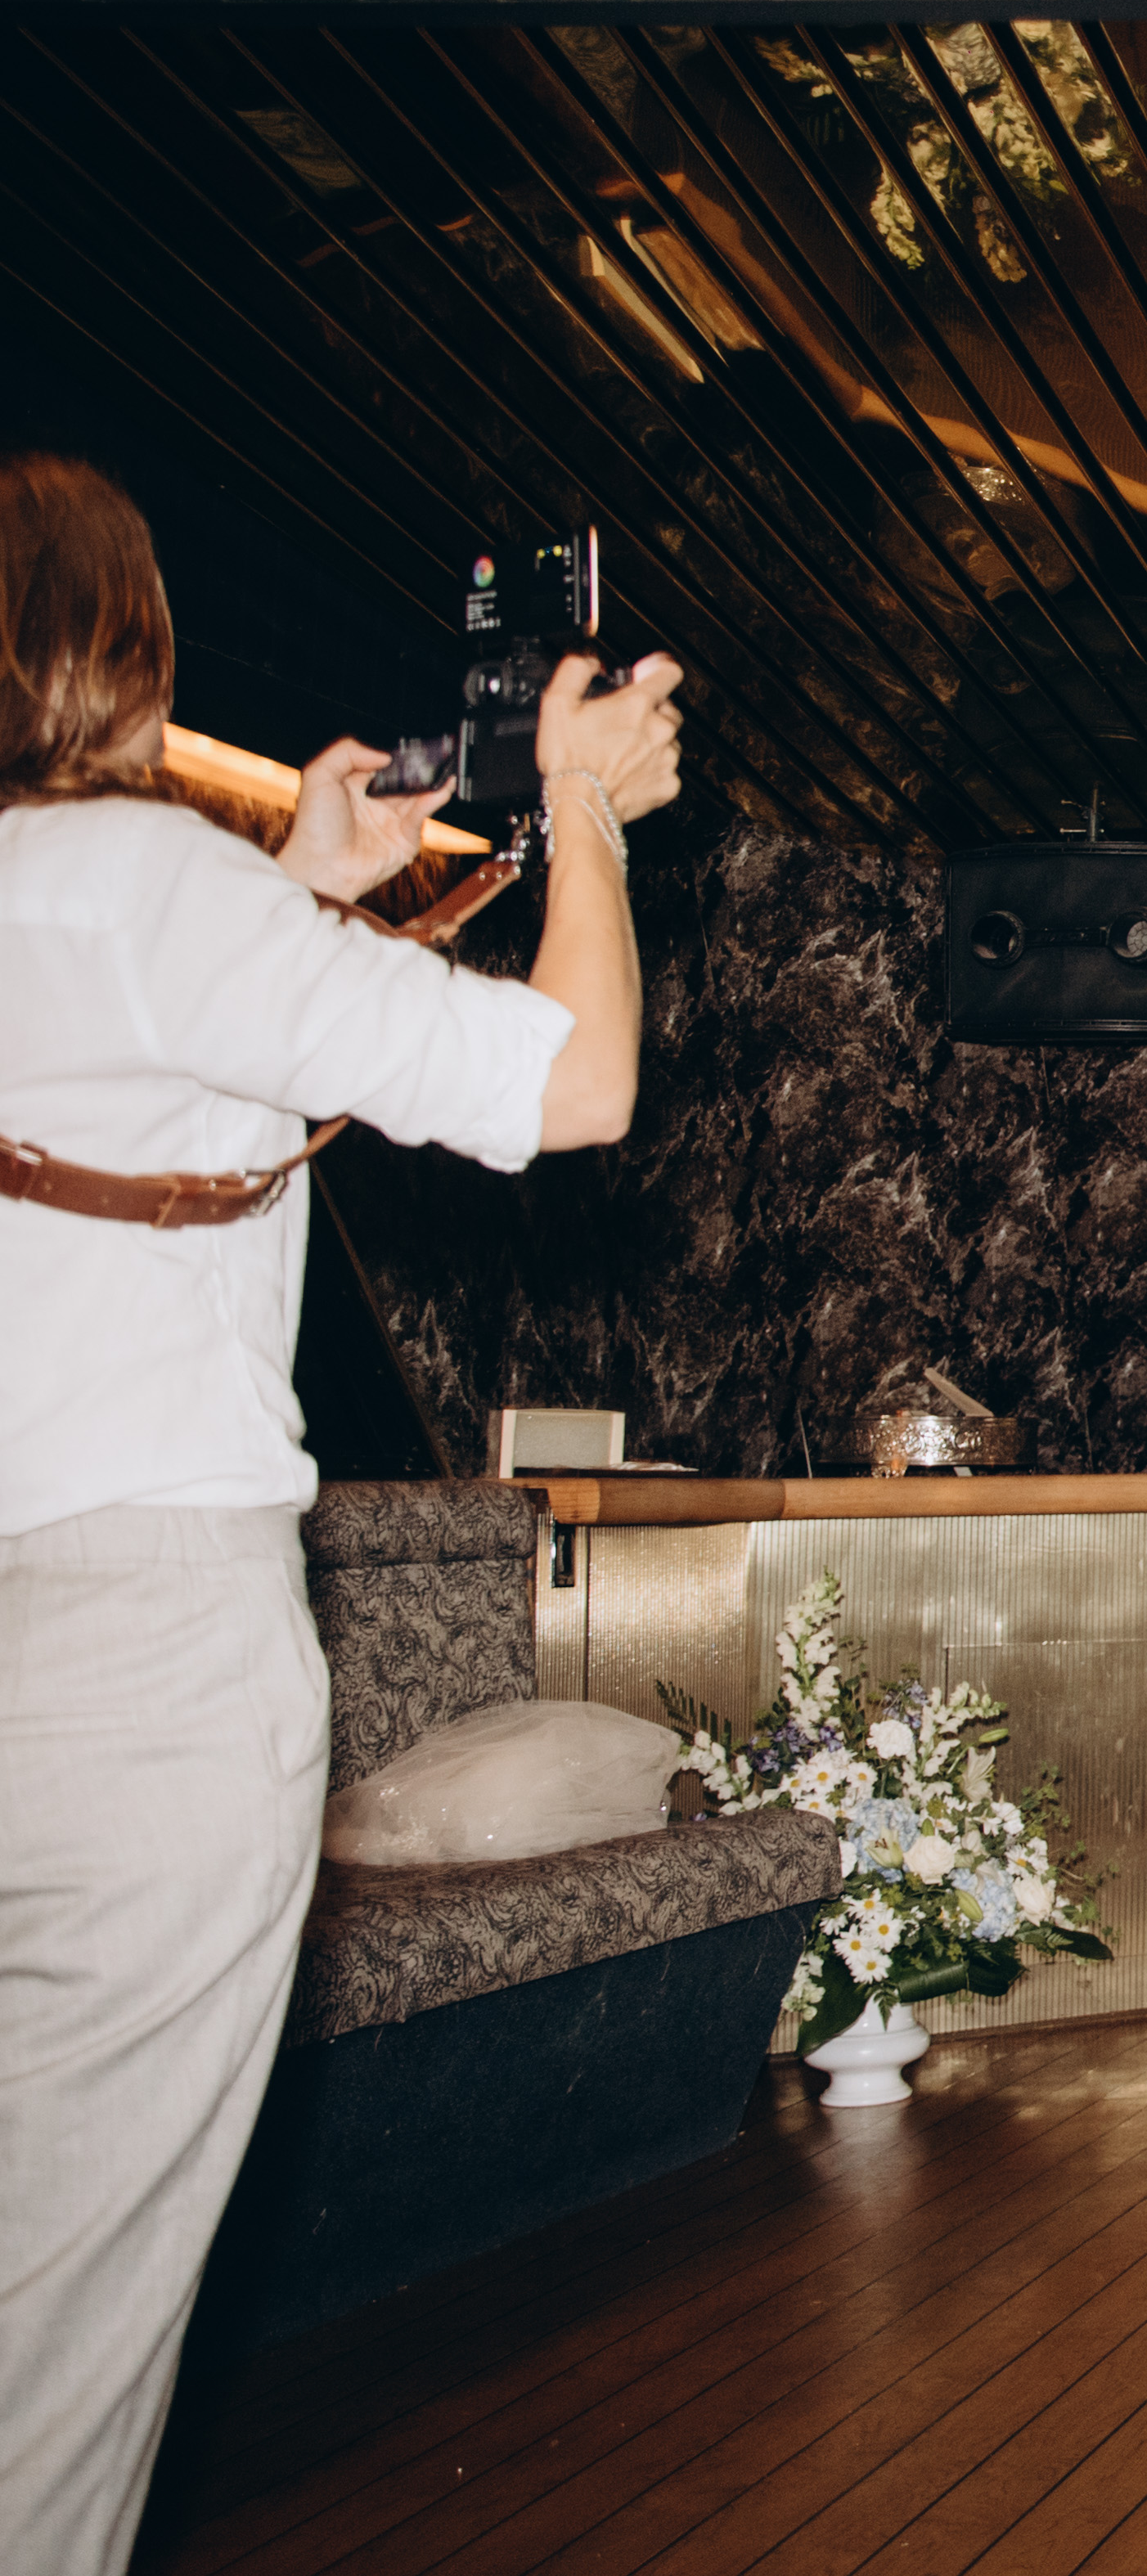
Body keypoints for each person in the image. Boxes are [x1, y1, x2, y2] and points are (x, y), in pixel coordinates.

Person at [0, 456, 685, 2575]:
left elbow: (126, 1069)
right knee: (50, 2334)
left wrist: (303, 879)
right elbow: (576, 1084)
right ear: (124, 649)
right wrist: (580, 810)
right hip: (131, 1668)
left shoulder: (119, 901)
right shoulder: (136, 876)